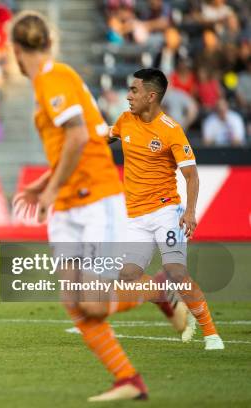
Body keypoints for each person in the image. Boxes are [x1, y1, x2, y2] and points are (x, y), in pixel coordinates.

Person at [11, 11, 155, 402]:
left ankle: (160, 289)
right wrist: (45, 186)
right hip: (70, 203)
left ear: (16, 50)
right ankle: (128, 379)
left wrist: (51, 187)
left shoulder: (54, 79)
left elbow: (77, 138)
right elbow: (79, 140)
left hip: (94, 198)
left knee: (91, 301)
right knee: (74, 300)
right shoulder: (52, 82)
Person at [110, 68, 224, 350]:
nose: (128, 96)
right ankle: (166, 296)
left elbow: (192, 175)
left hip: (166, 214)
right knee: (128, 276)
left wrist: (190, 212)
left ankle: (211, 334)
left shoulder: (170, 130)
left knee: (176, 271)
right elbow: (101, 139)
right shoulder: (124, 121)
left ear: (151, 96)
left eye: (134, 91)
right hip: (136, 217)